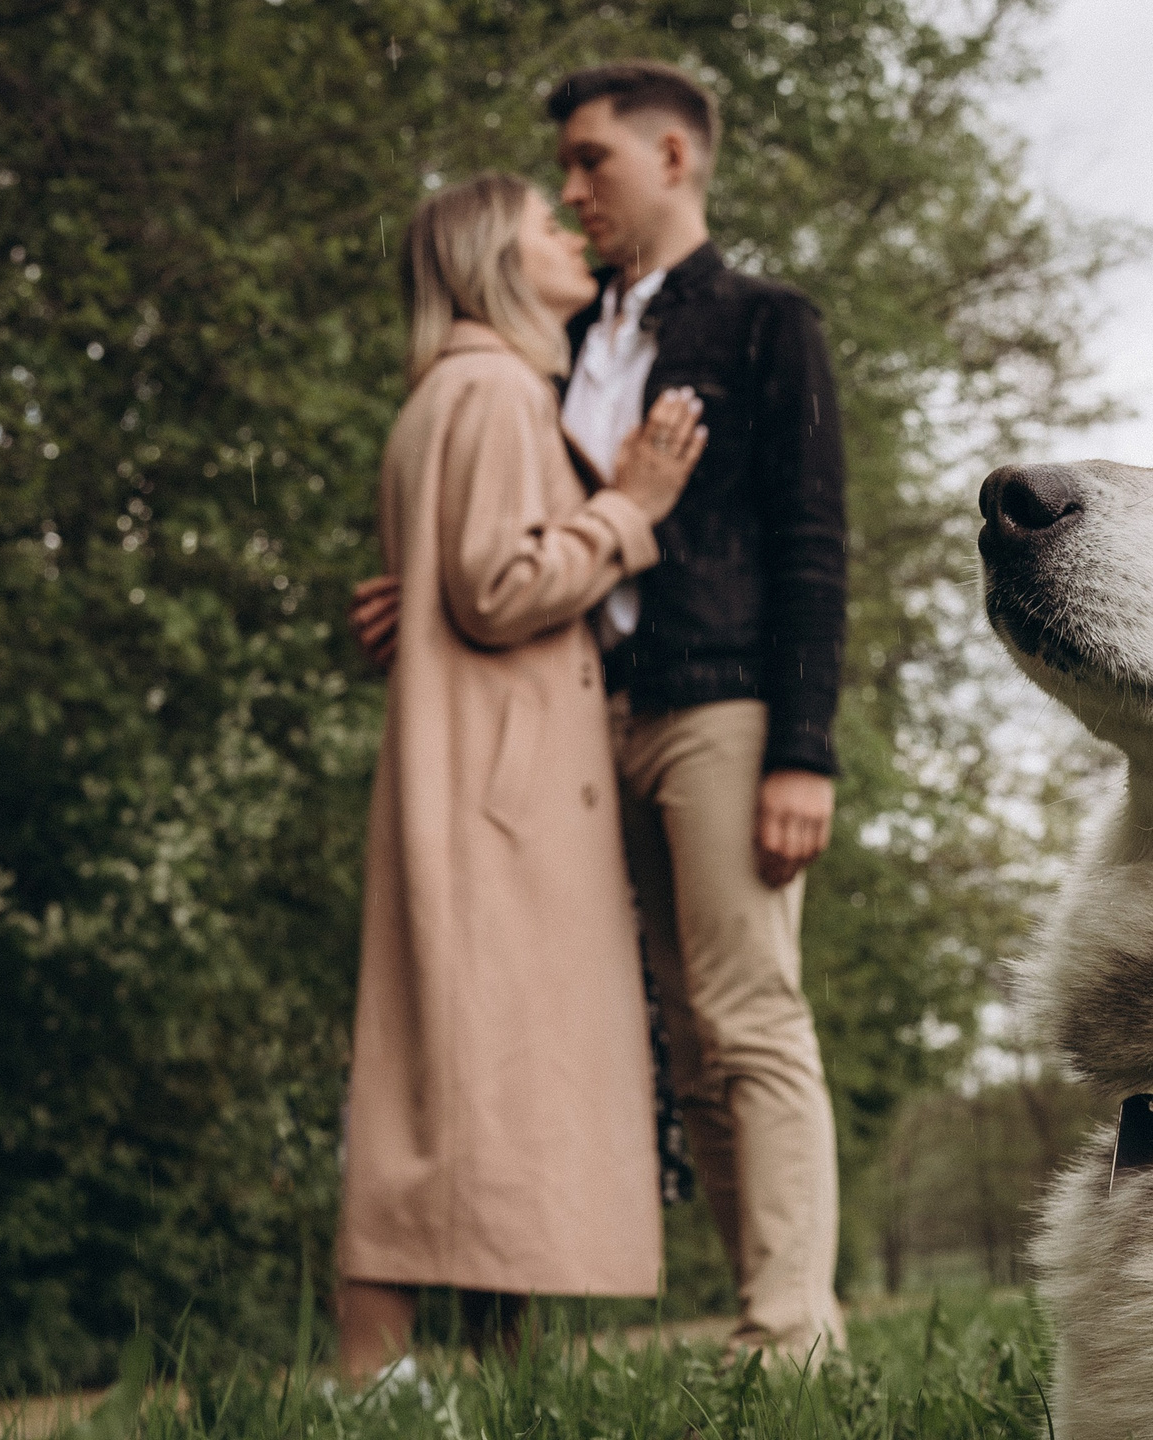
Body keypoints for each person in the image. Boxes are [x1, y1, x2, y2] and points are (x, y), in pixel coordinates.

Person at [351, 60, 852, 1359]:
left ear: (675, 159)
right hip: (582, 727)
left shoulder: (763, 321)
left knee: (750, 1016)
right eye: (562, 176)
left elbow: (810, 544)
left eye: (592, 164)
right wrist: (425, 597)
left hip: (721, 707)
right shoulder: (553, 342)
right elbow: (513, 538)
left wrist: (804, 750)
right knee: (681, 1046)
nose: (574, 196)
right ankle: (750, 1316)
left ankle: (790, 1332)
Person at [333, 170, 709, 1386]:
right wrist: (629, 508)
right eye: (544, 226)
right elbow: (496, 590)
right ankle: (369, 1378)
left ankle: (490, 1381)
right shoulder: (494, 388)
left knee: (471, 1069)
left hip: (475, 777)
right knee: (469, 1068)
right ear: (493, 257)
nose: (567, 235)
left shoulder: (455, 392)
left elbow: (449, 589)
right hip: (504, 796)